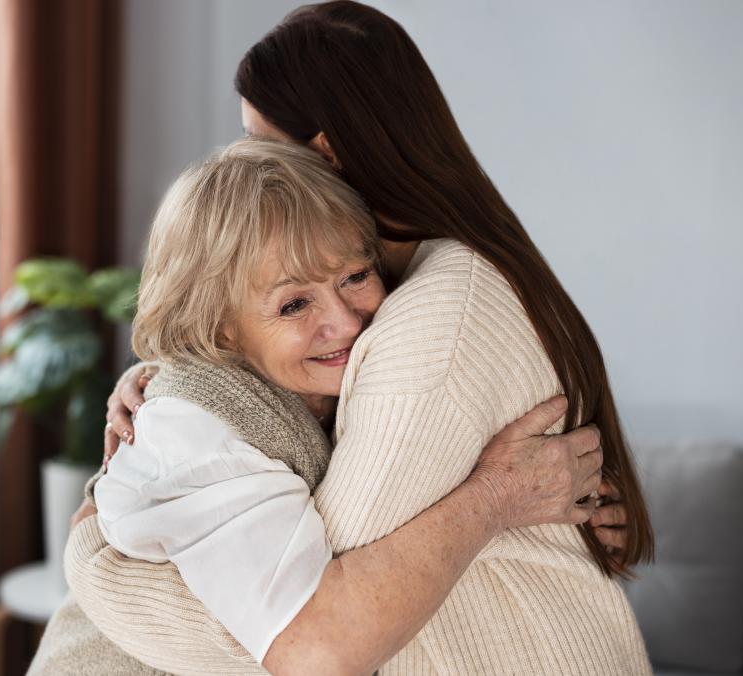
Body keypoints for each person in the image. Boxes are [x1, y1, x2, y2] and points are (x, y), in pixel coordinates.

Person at [56, 2, 654, 674]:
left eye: (262, 144)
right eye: (294, 303)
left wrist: (88, 552)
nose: (254, 170)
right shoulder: (448, 274)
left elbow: (317, 636)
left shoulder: (429, 324)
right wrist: (163, 397)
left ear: (324, 154)